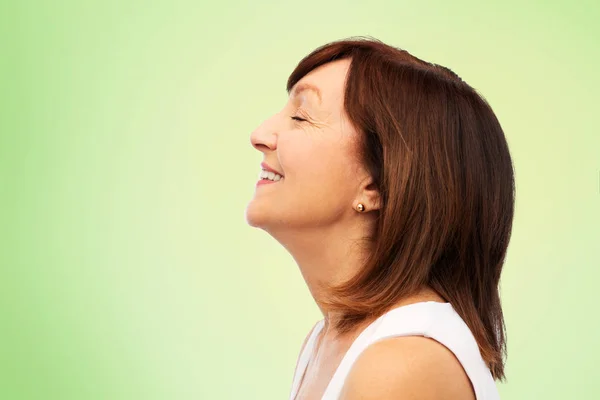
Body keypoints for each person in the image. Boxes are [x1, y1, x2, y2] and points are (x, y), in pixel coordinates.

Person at [245, 37, 514, 400]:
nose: (259, 135)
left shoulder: (400, 365)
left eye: (300, 116)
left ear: (376, 183)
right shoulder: (325, 342)